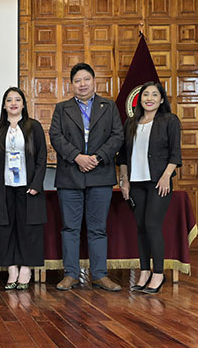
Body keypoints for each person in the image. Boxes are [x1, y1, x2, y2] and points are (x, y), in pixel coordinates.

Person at [49, 63, 124, 292]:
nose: (82, 84)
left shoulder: (108, 106)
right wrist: (77, 157)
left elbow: (117, 136)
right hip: (71, 174)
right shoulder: (62, 108)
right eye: (77, 81)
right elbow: (56, 136)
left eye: (86, 80)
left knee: (98, 228)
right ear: (71, 85)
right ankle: (70, 274)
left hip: (100, 174)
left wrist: (97, 158)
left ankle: (100, 274)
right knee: (70, 228)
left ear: (94, 81)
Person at [117, 81, 181, 294]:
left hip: (158, 182)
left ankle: (158, 274)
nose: (149, 98)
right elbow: (123, 156)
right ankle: (144, 271)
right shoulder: (131, 123)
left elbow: (175, 153)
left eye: (154, 94)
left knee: (153, 226)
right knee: (141, 228)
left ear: (161, 99)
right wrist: (124, 181)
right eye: (146, 95)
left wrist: (166, 176)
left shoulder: (169, 120)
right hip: (136, 183)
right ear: (139, 99)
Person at [0, 87, 47, 290]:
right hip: (4, 188)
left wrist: (36, 184)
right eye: (9, 100)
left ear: (23, 104)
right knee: (5, 228)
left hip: (28, 187)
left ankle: (26, 270)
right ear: (4, 105)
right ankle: (11, 269)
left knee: (28, 228)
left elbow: (41, 158)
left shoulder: (34, 127)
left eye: (17, 100)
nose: (13, 103)